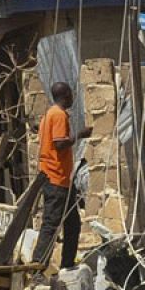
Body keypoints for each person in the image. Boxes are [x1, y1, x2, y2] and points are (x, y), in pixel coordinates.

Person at [34, 81, 92, 271]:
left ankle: (67, 264)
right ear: (66, 95)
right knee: (51, 224)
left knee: (73, 224)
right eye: (71, 94)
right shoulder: (58, 115)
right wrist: (79, 135)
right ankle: (37, 267)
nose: (73, 98)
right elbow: (59, 144)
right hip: (56, 179)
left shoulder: (48, 115)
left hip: (62, 180)